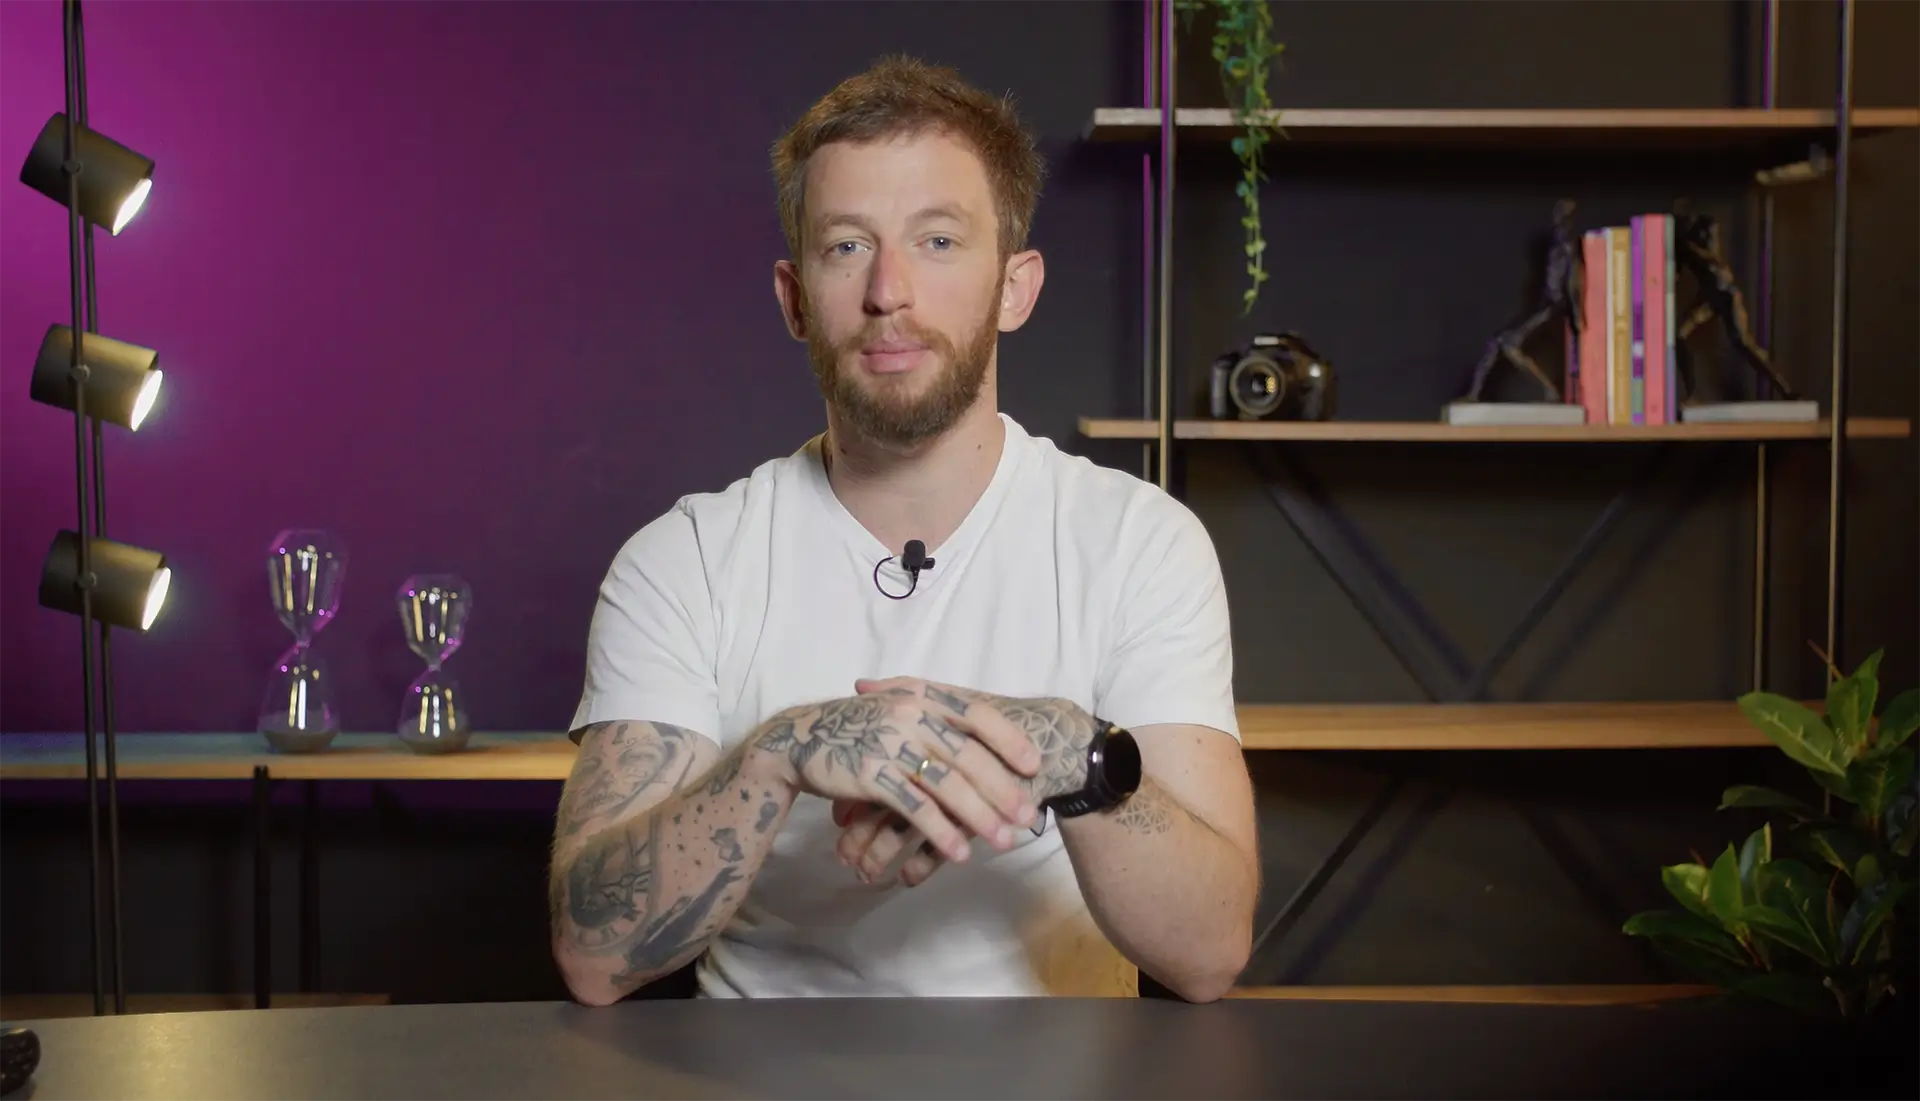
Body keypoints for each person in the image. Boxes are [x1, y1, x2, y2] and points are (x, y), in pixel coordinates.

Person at [547, 54, 1258, 1004]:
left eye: (938, 240)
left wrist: (1071, 753)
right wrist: (775, 753)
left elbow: (1209, 953)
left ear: (1015, 287)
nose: (890, 291)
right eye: (847, 246)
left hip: (1064, 1070)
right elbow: (594, 957)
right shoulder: (685, 561)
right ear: (796, 300)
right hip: (761, 1070)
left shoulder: (1140, 543)